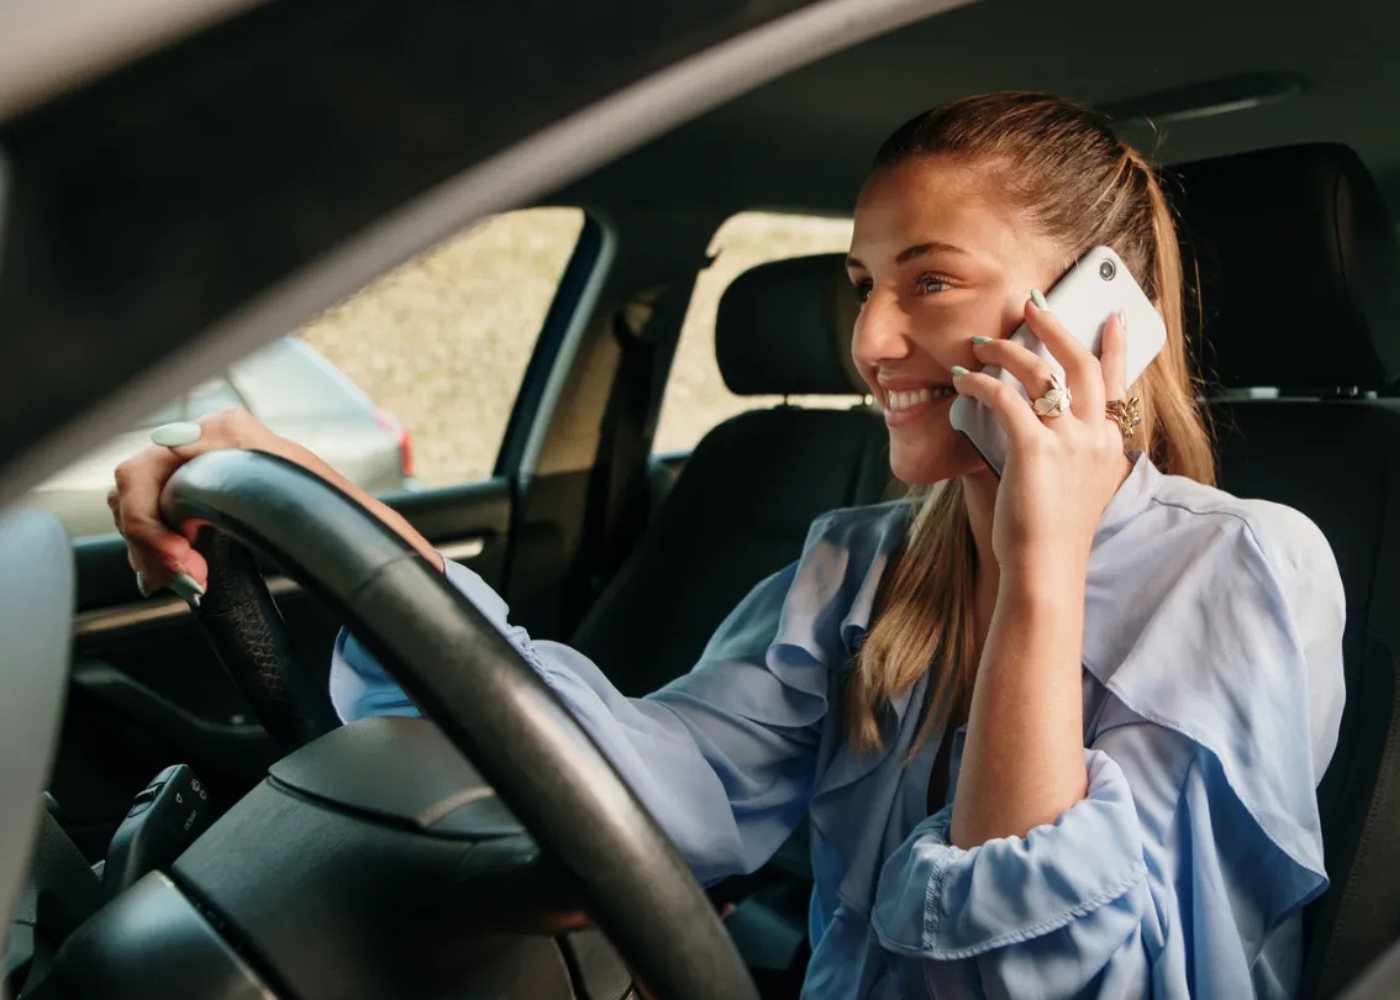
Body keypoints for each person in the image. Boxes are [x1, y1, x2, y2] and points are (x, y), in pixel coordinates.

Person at [110, 92, 1345, 998]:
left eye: (927, 283)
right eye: (862, 283)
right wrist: (327, 502)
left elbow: (1039, 976)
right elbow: (649, 784)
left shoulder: (1241, 570)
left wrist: (1039, 564)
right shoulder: (855, 564)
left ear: (1099, 314)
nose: (865, 341)